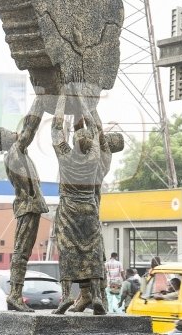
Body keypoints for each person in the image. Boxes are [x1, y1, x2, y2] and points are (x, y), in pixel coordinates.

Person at [0, 96, 49, 312]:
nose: (14, 133)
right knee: (21, 252)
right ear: (5, 140)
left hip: (28, 206)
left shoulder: (16, 154)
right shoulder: (15, 151)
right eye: (8, 132)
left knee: (22, 251)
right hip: (28, 206)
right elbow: (29, 128)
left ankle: (15, 294)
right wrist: (40, 101)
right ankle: (14, 295)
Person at [51, 88, 105, 315]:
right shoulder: (93, 157)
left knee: (68, 250)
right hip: (89, 210)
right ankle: (98, 297)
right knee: (92, 250)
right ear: (89, 143)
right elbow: (93, 126)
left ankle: (65, 297)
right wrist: (82, 100)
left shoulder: (66, 157)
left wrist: (63, 96)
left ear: (74, 142)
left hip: (69, 210)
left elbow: (55, 129)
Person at [69, 112, 124, 313]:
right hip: (91, 211)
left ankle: (91, 296)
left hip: (83, 210)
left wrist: (87, 107)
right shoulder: (101, 159)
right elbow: (83, 134)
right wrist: (80, 113)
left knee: (84, 255)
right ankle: (93, 298)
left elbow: (95, 131)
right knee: (94, 256)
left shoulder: (100, 156)